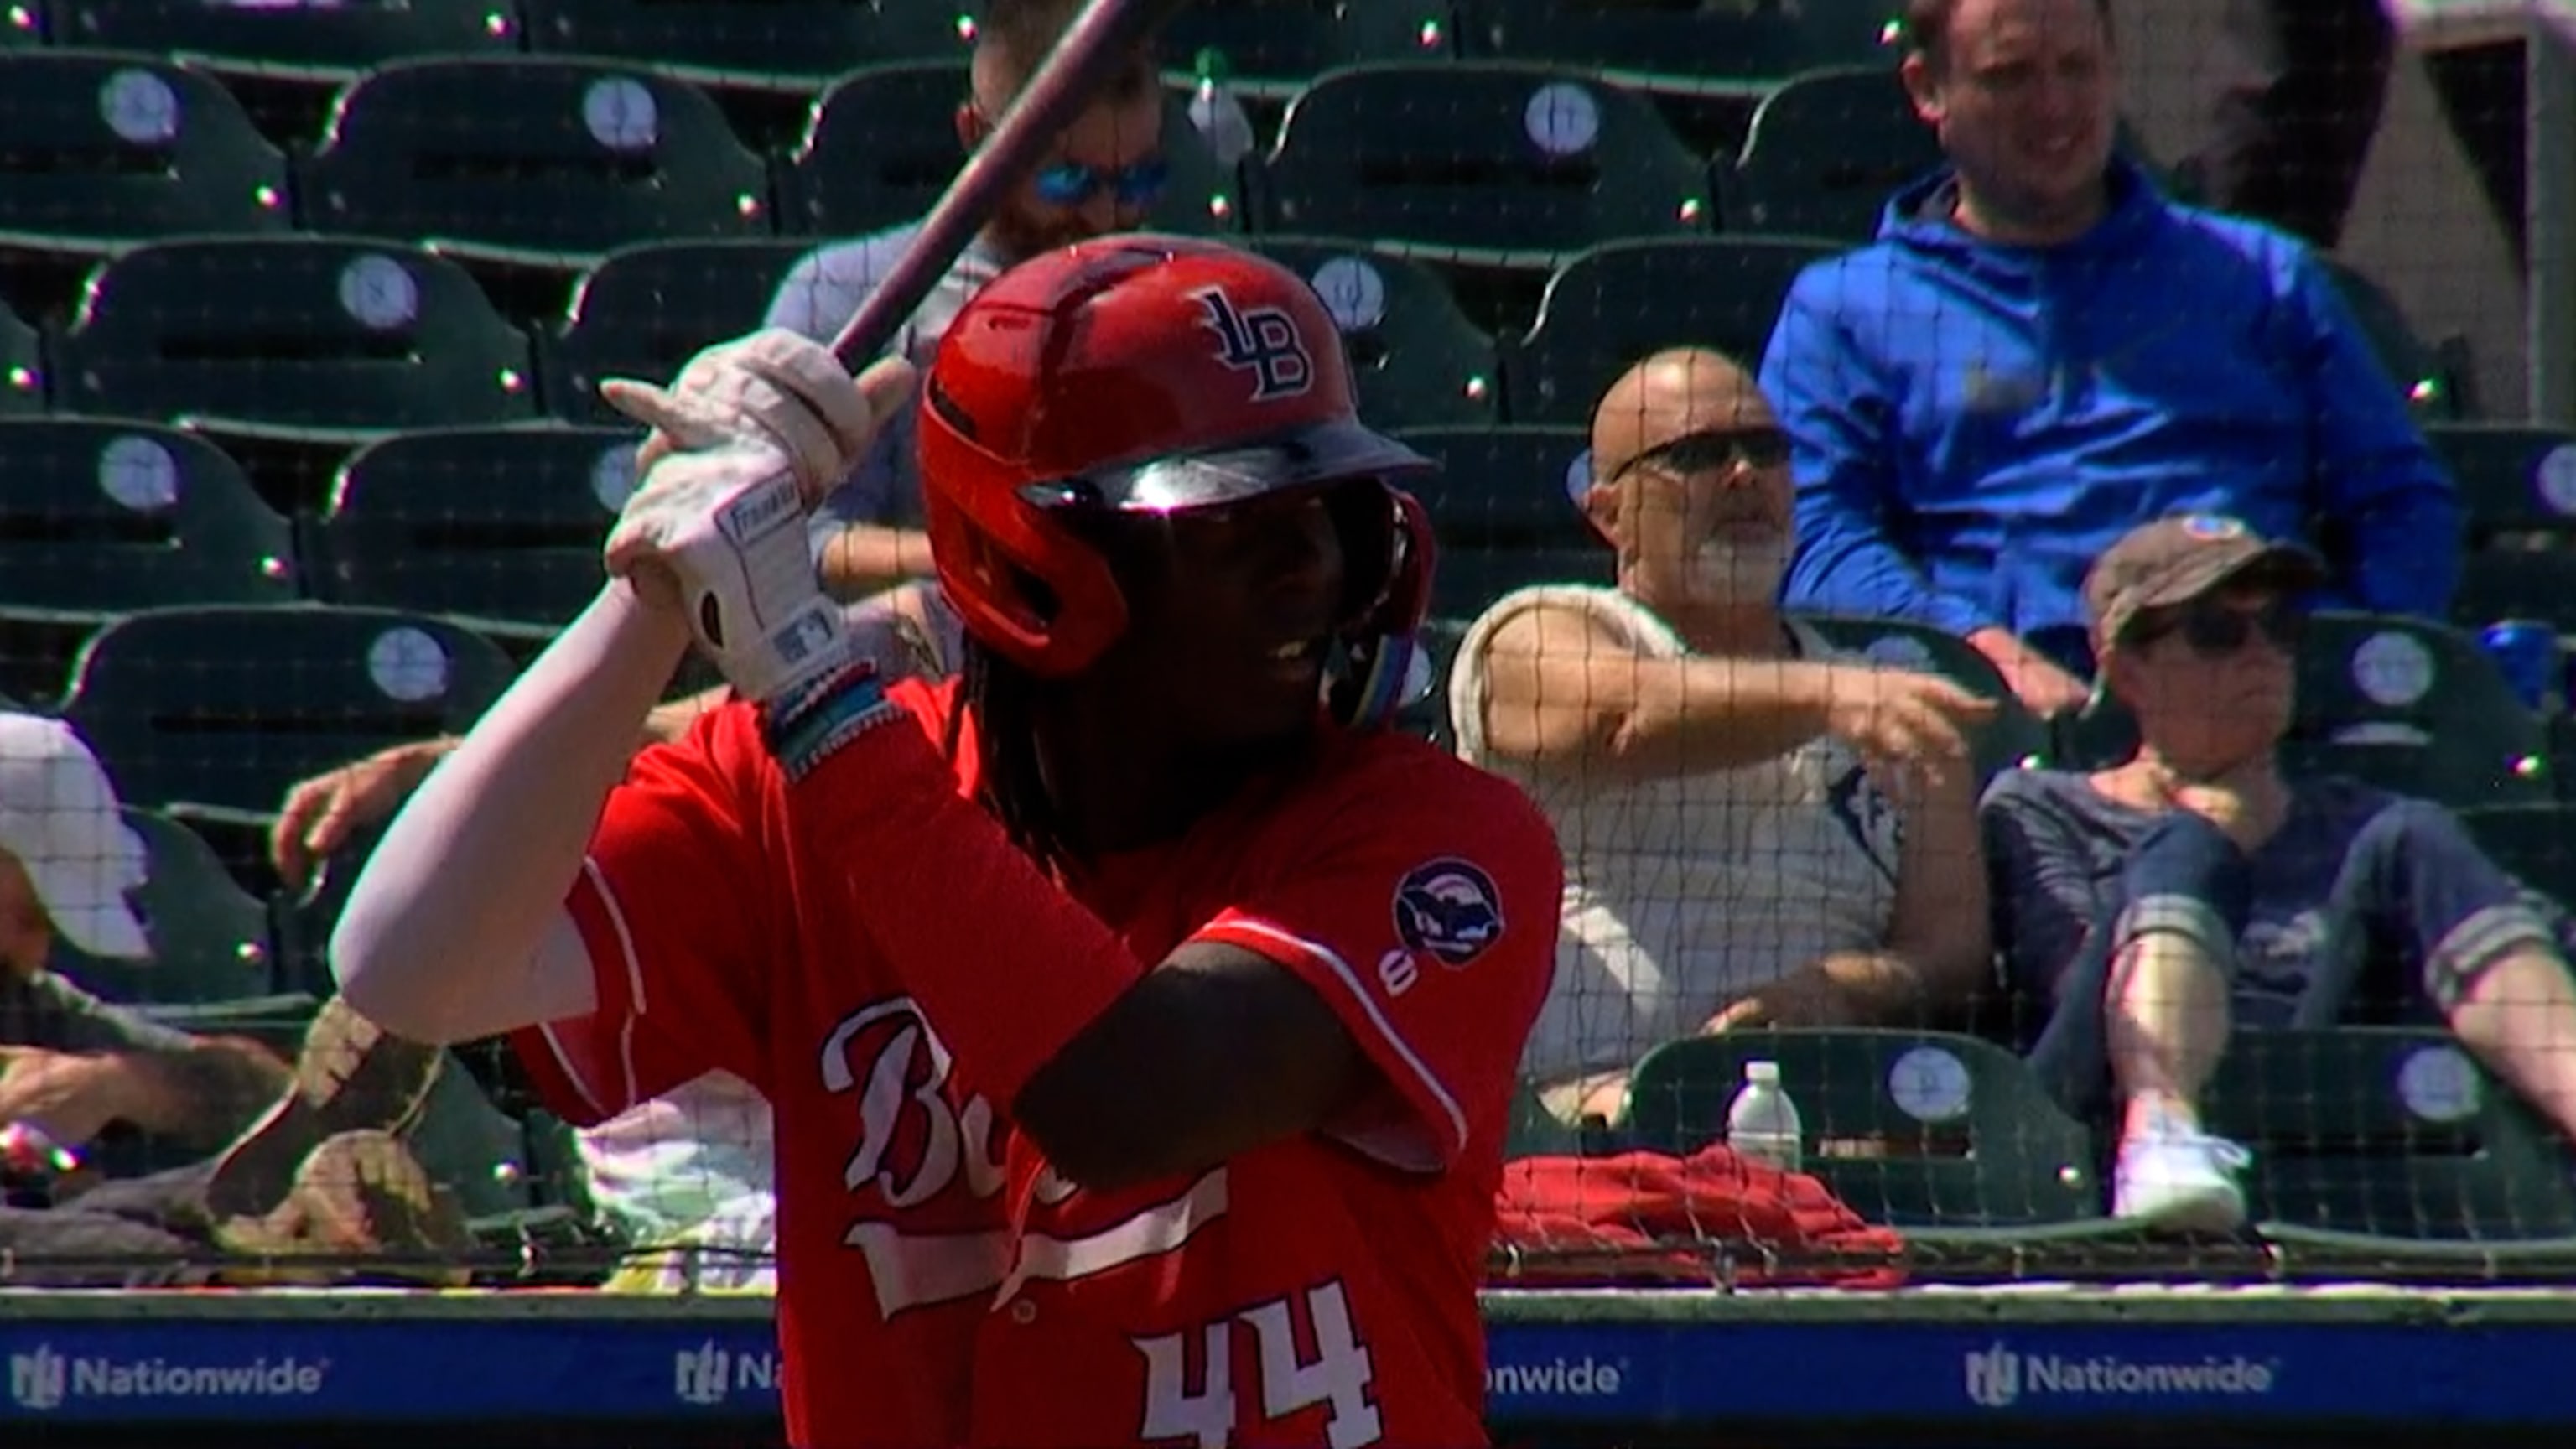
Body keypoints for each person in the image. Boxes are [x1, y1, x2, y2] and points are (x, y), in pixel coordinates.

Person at [332, 239, 1563, 1448]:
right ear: (1032, 565)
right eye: (1232, 523)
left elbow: (1133, 1096)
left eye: (1325, 508)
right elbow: (409, 968)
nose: (1316, 571)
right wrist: (657, 578)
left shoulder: (1440, 841)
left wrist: (805, 687)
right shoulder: (798, 794)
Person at [1759, 0, 2459, 718]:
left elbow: (2401, 501)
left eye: (2077, 68)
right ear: (1927, 90)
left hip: (2262, 716)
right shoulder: (1846, 310)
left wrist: (2314, 663)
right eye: (2011, 76)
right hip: (2012, 736)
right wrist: (1976, 652)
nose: (2054, 105)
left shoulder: (2262, 278)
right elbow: (1812, 535)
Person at [1449, 348, 1997, 1127]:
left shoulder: (1889, 702)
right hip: (1577, 1118)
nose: (1744, 476)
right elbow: (1621, 719)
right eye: (1698, 455)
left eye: (1766, 450)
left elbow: (1949, 948)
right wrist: (1832, 695)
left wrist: (1847, 986)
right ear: (1610, 514)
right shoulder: (1537, 632)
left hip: (1827, 1125)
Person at [1982, 514, 2576, 1232]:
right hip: (2098, 1122)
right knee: (2187, 847)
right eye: (2217, 632)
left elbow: (2539, 952)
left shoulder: (2370, 828)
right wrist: (2214, 835)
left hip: (2327, 1119)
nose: (2262, 654)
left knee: (2416, 832)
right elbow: (2073, 983)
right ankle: (2164, 1130)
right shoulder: (2044, 805)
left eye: (2281, 629)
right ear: (2126, 666)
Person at [768, 0, 1176, 605]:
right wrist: (1014, 557)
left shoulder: (1180, 296)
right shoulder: (849, 291)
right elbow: (797, 546)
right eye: (1068, 182)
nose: (1105, 215)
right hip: (918, 670)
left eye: (1137, 181)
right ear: (976, 138)